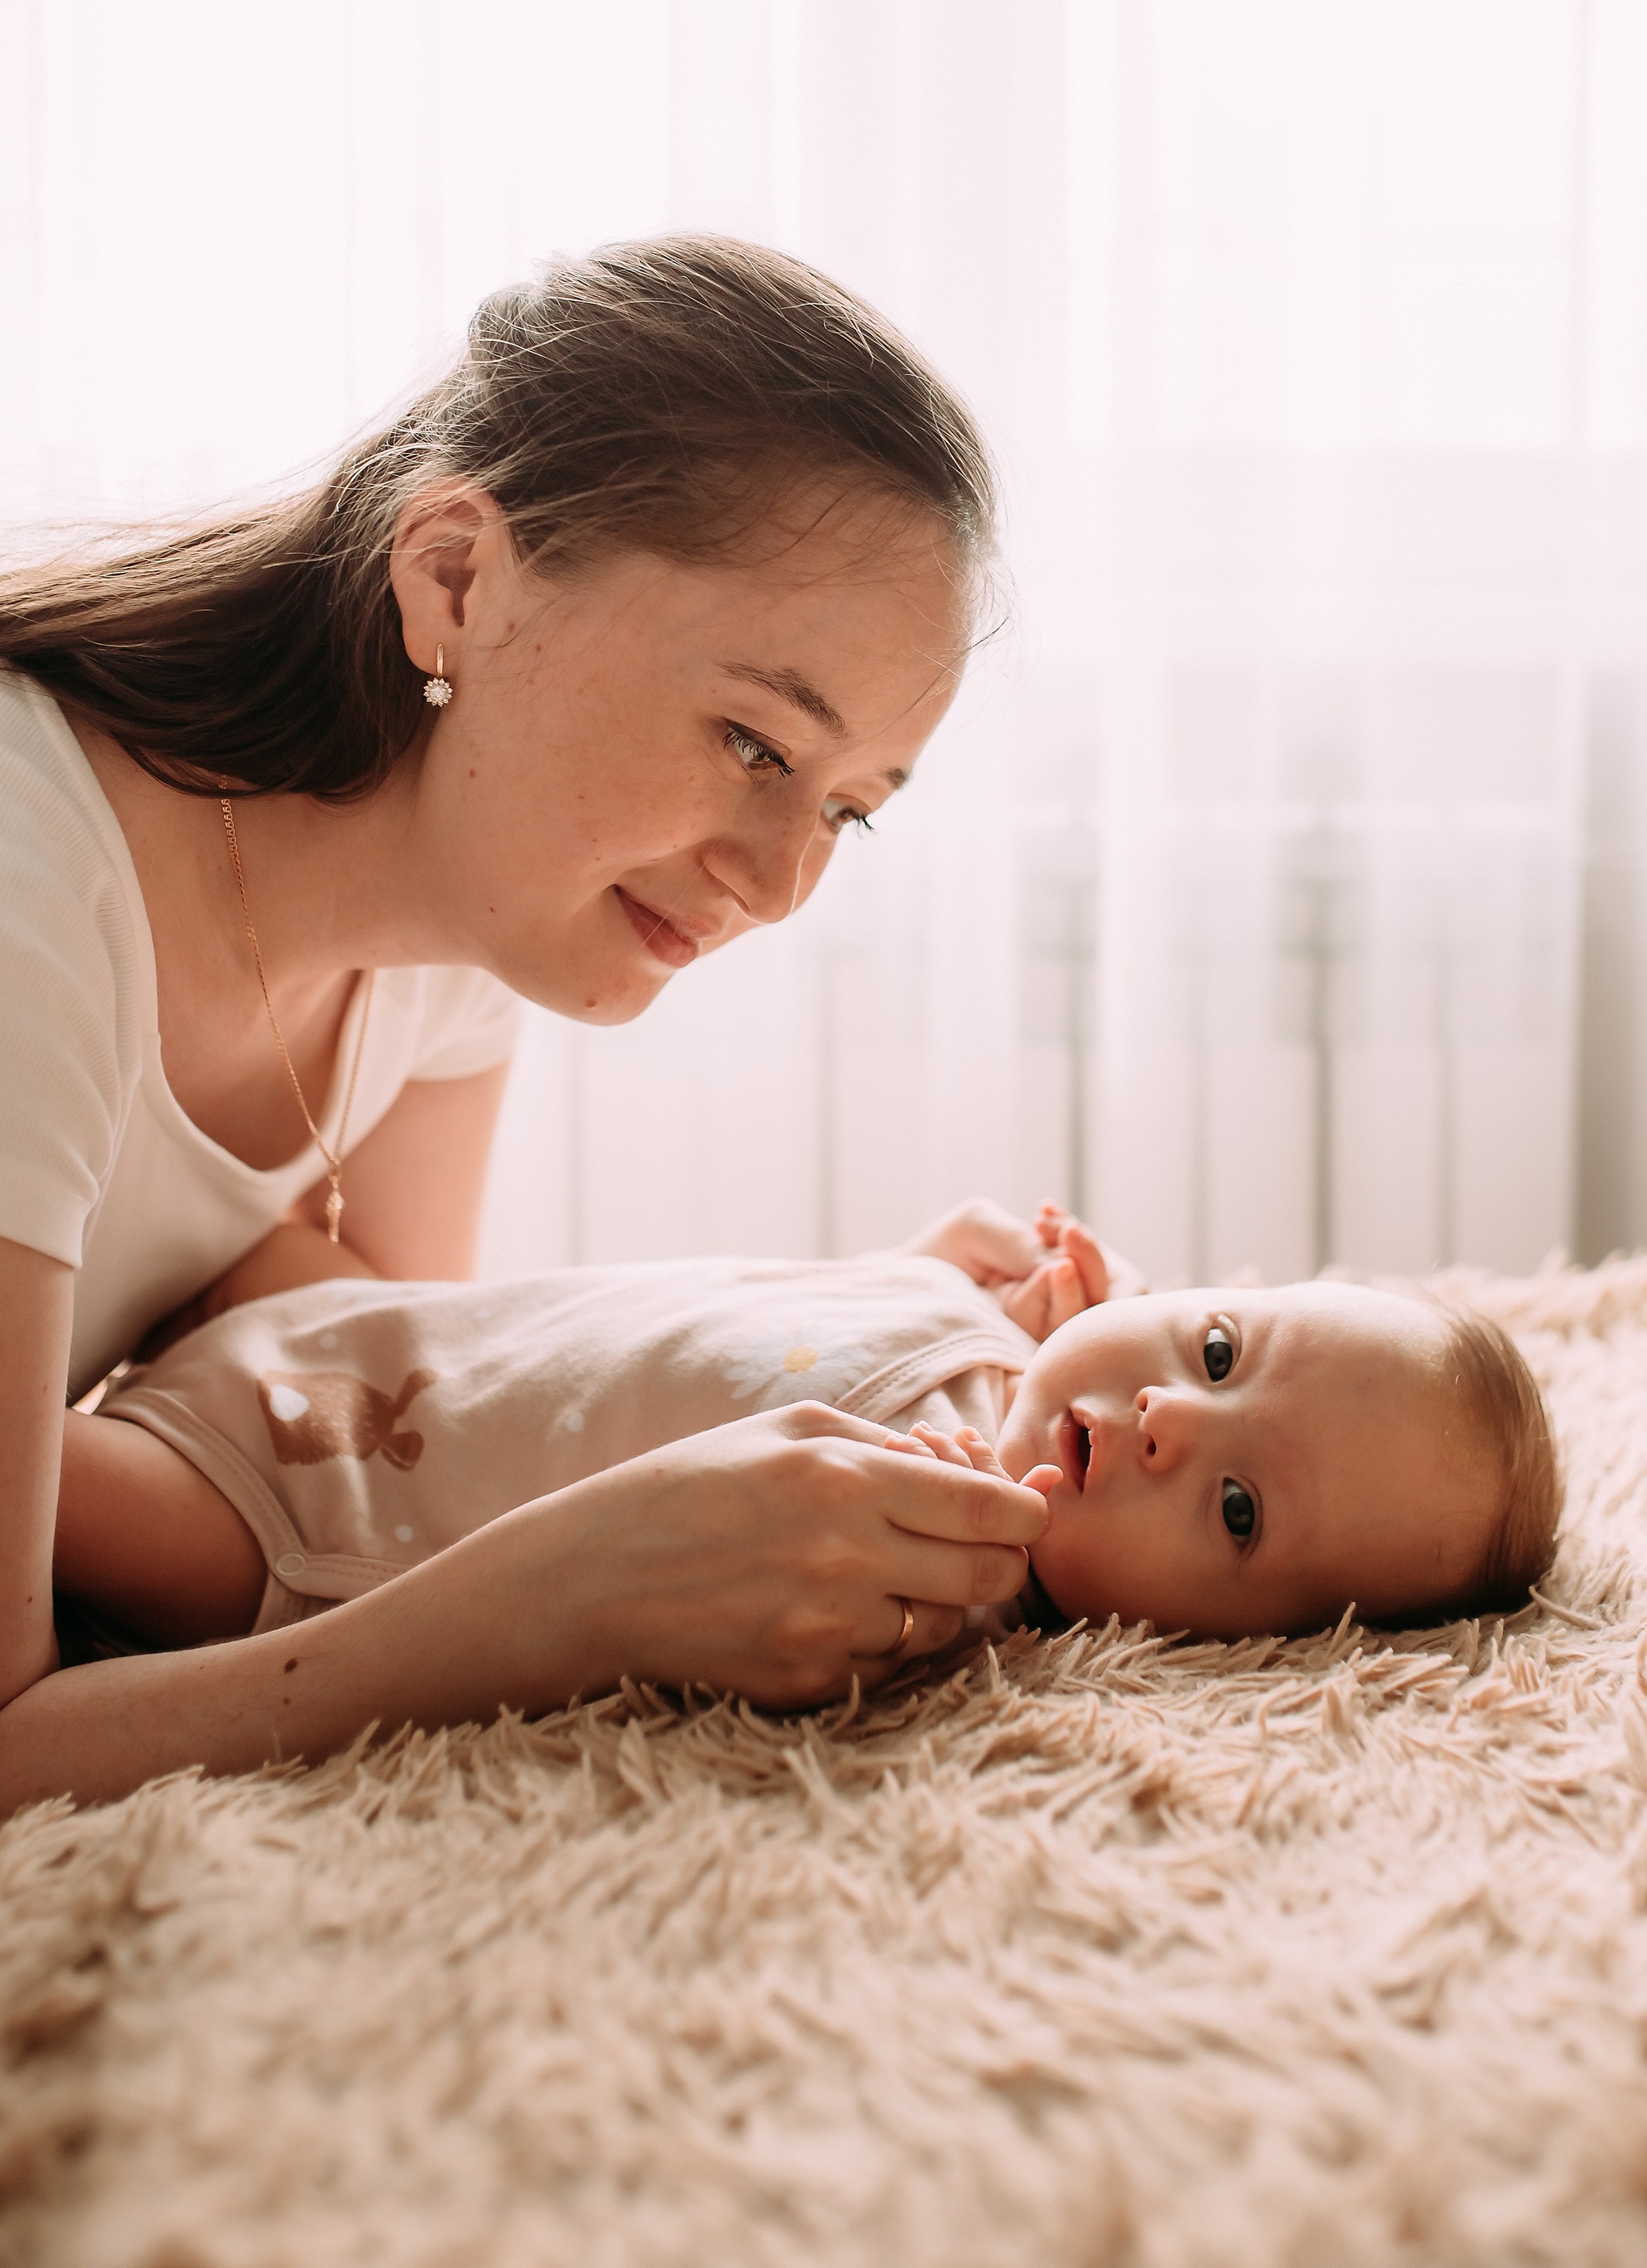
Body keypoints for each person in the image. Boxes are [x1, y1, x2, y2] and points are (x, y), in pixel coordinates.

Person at [0, 236, 1074, 1815]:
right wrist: (566, 1599)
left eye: (848, 810)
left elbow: (374, 1418)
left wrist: (834, 1347)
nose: (781, 886)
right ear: (455, 580)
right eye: (752, 743)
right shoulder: (34, 888)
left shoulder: (451, 938)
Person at [51, 1204, 1561, 1667]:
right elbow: (749, 1338)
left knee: (39, 1490)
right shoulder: (1000, 1348)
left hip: (304, 1520)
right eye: (1220, 1350)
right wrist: (940, 1284)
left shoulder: (938, 1553)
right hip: (364, 1337)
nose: (1171, 1418)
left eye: (1237, 1512)